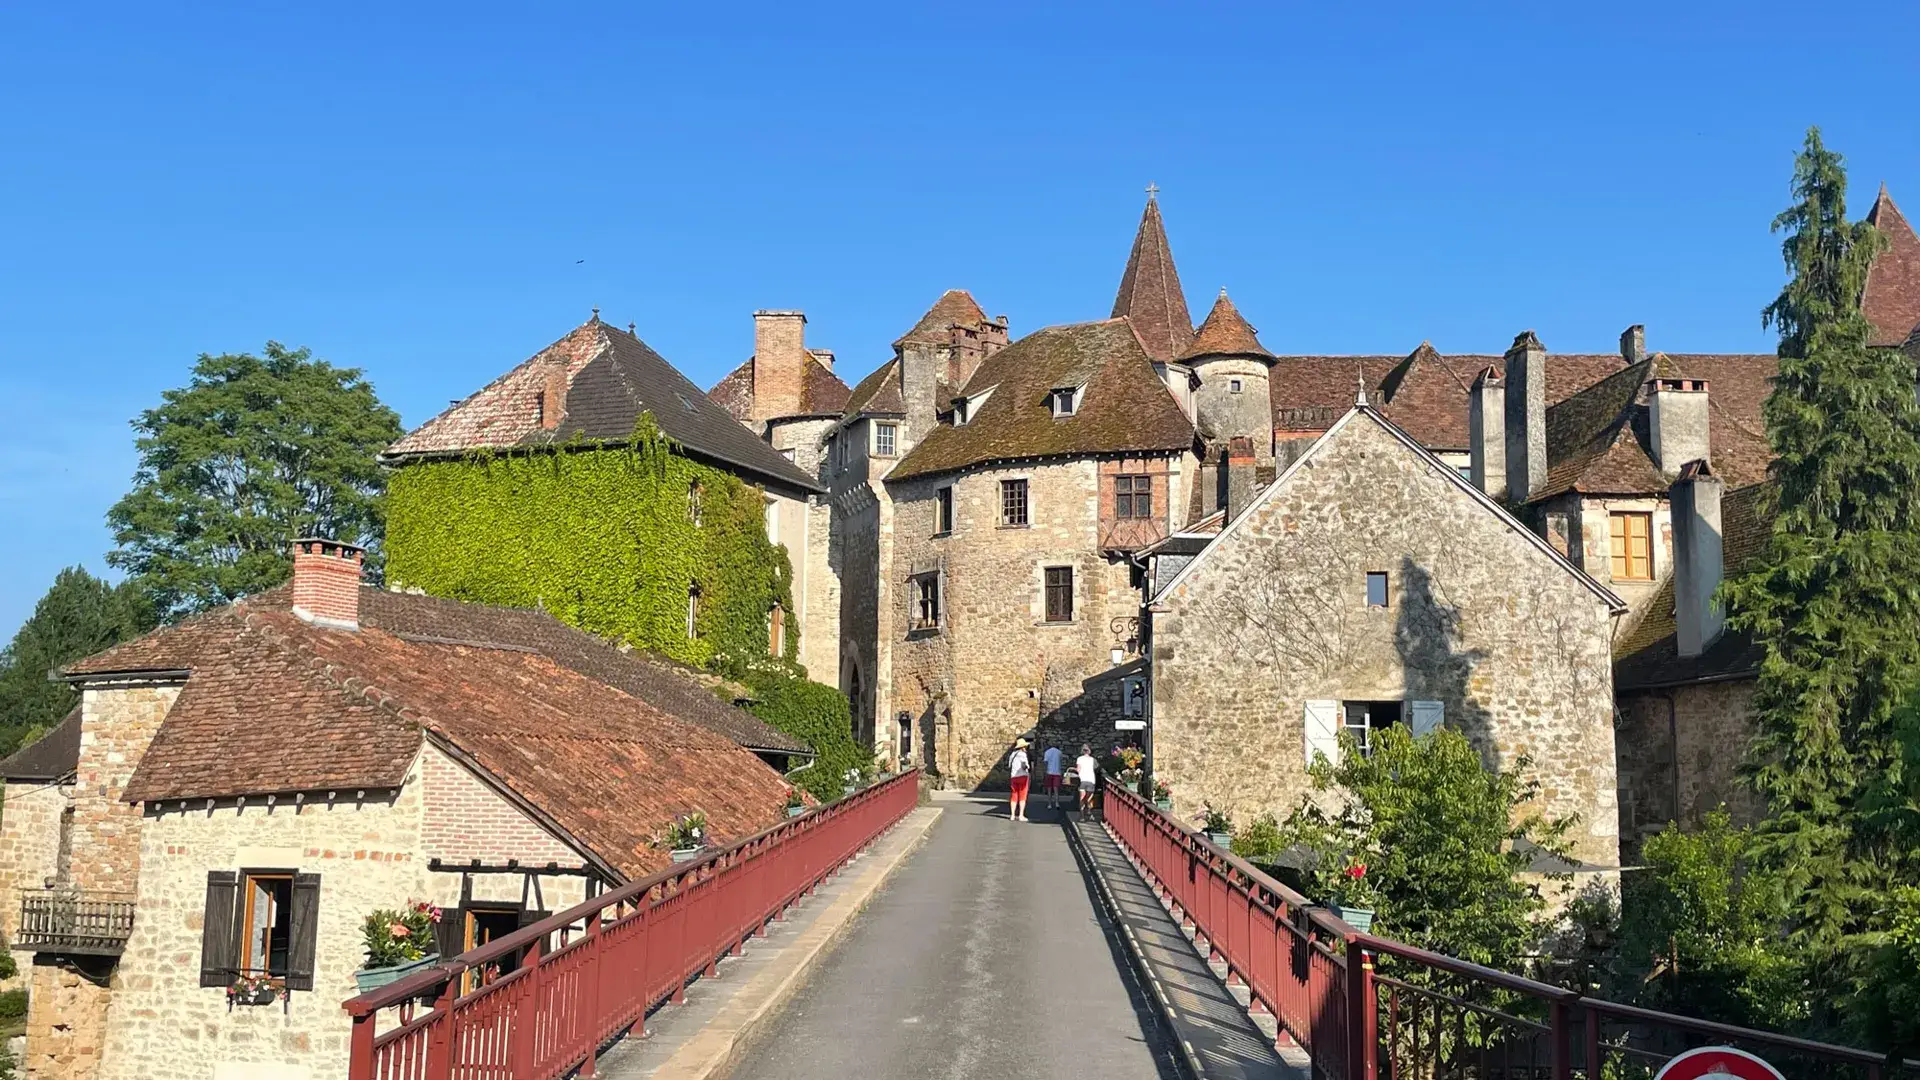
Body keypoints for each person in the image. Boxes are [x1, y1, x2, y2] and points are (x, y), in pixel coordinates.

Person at [1008, 738, 1031, 822]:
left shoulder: (1012, 755)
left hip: (1013, 776)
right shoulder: (1022, 754)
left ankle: (1012, 815)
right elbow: (1024, 765)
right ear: (1022, 747)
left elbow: (1009, 765)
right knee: (1022, 796)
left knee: (1014, 795)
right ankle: (1021, 815)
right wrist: (1027, 767)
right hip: (1022, 776)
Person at [1075, 744, 1099, 813]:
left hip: (1082, 780)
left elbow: (1078, 770)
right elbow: (1097, 768)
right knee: (1090, 798)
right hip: (1091, 780)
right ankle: (1089, 811)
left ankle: (1082, 816)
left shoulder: (1079, 759)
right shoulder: (1093, 760)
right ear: (1090, 751)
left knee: (1082, 798)